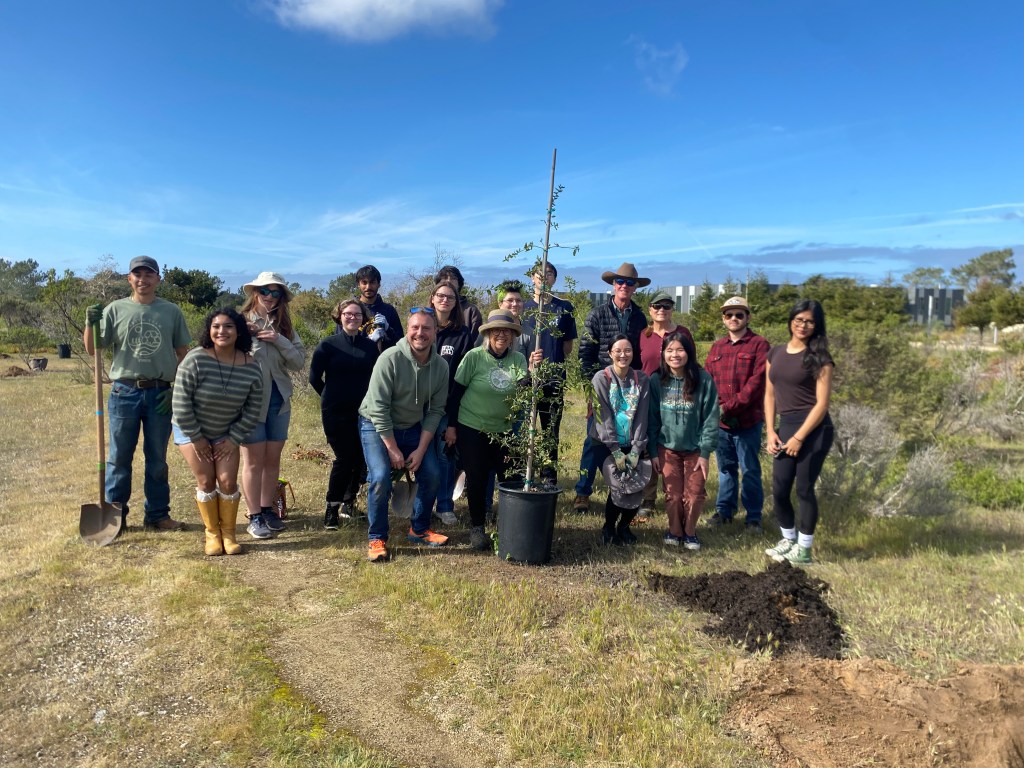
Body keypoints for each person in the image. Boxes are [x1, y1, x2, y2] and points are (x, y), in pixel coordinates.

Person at [83, 255, 191, 531]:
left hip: (160, 394)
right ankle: (114, 520)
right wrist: (89, 324)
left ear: (158, 279)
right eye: (137, 275)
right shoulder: (115, 309)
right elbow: (93, 348)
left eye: (148, 275)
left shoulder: (171, 311)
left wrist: (175, 387)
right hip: (124, 393)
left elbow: (182, 353)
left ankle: (157, 515)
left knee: (157, 458)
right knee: (119, 458)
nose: (142, 280)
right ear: (129, 278)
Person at [358, 308, 451, 562]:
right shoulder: (389, 358)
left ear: (435, 332)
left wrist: (420, 451)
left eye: (426, 328)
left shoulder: (441, 366)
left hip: (412, 427)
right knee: (380, 478)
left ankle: (419, 529)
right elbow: (378, 408)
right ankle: (377, 538)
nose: (420, 333)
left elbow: (435, 412)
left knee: (432, 473)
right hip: (375, 424)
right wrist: (392, 448)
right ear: (408, 330)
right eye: (415, 328)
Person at [172, 309, 264, 556]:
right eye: (216, 326)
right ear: (209, 330)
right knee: (206, 480)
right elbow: (181, 403)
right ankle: (212, 534)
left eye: (228, 327)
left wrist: (234, 439)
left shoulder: (252, 366)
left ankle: (229, 534)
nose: (221, 331)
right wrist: (197, 438)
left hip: (226, 434)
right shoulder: (195, 359)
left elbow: (253, 409)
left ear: (239, 332)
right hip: (191, 429)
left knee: (227, 481)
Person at [449, 309, 542, 549]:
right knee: (478, 478)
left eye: (507, 331)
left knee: (510, 479)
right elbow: (456, 394)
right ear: (488, 333)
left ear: (513, 336)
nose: (502, 335)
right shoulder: (474, 357)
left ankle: (509, 526)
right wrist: (451, 426)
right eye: (496, 330)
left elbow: (523, 388)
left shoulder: (518, 360)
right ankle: (477, 528)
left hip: (505, 429)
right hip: (473, 427)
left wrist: (532, 374)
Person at [574, 262, 650, 512]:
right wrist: (590, 391)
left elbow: (638, 355)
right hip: (602, 386)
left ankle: (623, 488)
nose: (624, 286)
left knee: (626, 438)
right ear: (613, 285)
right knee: (593, 439)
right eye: (620, 282)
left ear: (635, 288)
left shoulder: (639, 317)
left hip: (629, 386)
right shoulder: (597, 314)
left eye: (630, 283)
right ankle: (583, 491)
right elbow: (585, 353)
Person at [764, 299, 835, 565]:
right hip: (786, 426)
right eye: (799, 319)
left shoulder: (820, 358)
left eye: (809, 321)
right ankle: (788, 539)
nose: (803, 325)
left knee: (804, 489)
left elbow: (822, 404)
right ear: (791, 321)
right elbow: (769, 395)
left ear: (816, 325)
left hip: (815, 430)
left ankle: (804, 549)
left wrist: (799, 437)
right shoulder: (775, 353)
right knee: (780, 488)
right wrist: (771, 431)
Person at [239, 272, 306, 540]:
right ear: (255, 292)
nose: (269, 296)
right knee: (253, 461)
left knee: (272, 459)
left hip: (279, 400)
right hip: (250, 401)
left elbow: (298, 362)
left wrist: (278, 339)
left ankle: (267, 510)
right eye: (264, 290)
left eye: (275, 292)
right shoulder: (240, 324)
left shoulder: (286, 328)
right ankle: (253, 515)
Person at [309, 299, 380, 529]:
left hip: (363, 412)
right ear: (339, 316)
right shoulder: (328, 345)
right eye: (348, 314)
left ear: (363, 318)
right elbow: (314, 378)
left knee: (360, 458)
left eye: (357, 314)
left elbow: (376, 377)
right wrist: (330, 397)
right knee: (344, 458)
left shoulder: (369, 346)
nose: (352, 318)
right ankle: (331, 508)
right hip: (335, 412)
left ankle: (349, 504)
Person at [703, 296, 771, 533]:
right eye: (729, 315)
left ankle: (753, 517)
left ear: (747, 317)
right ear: (723, 319)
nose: (734, 319)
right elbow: (707, 380)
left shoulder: (759, 345)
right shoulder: (717, 347)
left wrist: (728, 407)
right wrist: (713, 408)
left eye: (739, 315)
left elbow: (757, 383)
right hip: (721, 423)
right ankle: (725, 511)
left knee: (750, 469)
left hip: (748, 421)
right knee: (725, 469)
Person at [648, 332, 720, 551]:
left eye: (680, 350)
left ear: (689, 352)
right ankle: (674, 531)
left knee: (695, 494)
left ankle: (690, 532)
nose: (674, 355)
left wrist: (706, 452)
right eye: (669, 351)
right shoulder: (656, 379)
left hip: (695, 449)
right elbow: (651, 418)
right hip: (667, 448)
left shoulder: (702, 378)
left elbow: (710, 417)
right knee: (673, 494)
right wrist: (652, 451)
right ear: (663, 354)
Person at [637, 290, 694, 522]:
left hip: (676, 395)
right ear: (650, 309)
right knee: (647, 443)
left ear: (672, 309)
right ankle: (648, 498)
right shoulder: (643, 335)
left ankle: (675, 493)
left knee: (673, 443)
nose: (662, 310)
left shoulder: (683, 333)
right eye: (657, 306)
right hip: (647, 397)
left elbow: (692, 364)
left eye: (667, 306)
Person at [590, 334, 652, 545]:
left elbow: (642, 415)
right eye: (618, 351)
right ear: (610, 354)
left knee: (636, 485)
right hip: (605, 444)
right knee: (618, 486)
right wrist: (616, 451)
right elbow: (602, 416)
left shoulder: (641, 379)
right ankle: (608, 528)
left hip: (632, 442)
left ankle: (624, 528)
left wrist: (635, 449)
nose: (623, 355)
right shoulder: (601, 378)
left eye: (627, 350)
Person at [521, 261, 577, 484]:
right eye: (539, 274)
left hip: (553, 379)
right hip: (526, 378)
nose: (544, 278)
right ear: (532, 277)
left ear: (554, 278)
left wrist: (554, 362)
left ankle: (548, 476)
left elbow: (567, 345)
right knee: (525, 428)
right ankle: (524, 473)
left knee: (550, 430)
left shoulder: (564, 308)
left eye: (550, 274)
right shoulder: (523, 308)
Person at [430, 280, 474, 526]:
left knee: (446, 456)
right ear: (432, 298)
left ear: (456, 303)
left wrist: (454, 421)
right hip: (419, 406)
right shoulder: (423, 327)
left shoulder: (462, 334)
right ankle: (422, 503)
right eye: (440, 295)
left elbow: (462, 379)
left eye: (450, 297)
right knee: (421, 456)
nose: (445, 300)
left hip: (447, 407)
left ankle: (445, 505)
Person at [357, 264, 403, 348]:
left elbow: (401, 343)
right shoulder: (350, 311)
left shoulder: (389, 310)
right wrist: (368, 340)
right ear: (358, 285)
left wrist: (388, 329)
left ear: (379, 284)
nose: (368, 287)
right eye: (364, 282)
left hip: (384, 360)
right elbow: (343, 343)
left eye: (372, 282)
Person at [435, 264, 483, 342]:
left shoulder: (471, 311)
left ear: (459, 284)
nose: (448, 281)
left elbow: (475, 342)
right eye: (445, 278)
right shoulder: (429, 311)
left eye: (453, 278)